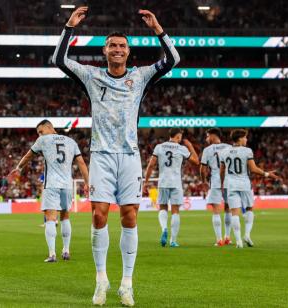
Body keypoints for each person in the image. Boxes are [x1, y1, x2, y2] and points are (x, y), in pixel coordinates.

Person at [52, 6, 180, 306]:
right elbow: (58, 60)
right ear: (105, 51)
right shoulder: (91, 76)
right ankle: (100, 281)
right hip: (101, 156)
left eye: (122, 46)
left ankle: (126, 283)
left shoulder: (142, 76)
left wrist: (158, 28)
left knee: (130, 216)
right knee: (98, 215)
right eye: (113, 45)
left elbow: (173, 60)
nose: (118, 49)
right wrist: (69, 27)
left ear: (129, 52)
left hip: (130, 156)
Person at [8, 120, 89, 262]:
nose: (39, 134)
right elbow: (81, 162)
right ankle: (66, 250)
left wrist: (18, 168)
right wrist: (87, 182)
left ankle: (52, 254)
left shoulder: (43, 140)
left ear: (49, 127)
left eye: (40, 131)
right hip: (67, 185)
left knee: (50, 218)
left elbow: (28, 155)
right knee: (65, 216)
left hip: (51, 184)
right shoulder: (71, 141)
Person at [220, 129, 281, 248]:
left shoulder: (224, 152)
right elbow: (253, 169)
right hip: (244, 183)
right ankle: (247, 235)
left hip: (231, 184)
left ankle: (238, 241)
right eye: (245, 137)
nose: (246, 139)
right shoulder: (247, 151)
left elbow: (222, 171)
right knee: (249, 208)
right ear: (240, 138)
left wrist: (223, 184)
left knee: (235, 213)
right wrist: (267, 174)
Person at [144, 128, 198, 247]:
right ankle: (173, 241)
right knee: (175, 211)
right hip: (176, 183)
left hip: (163, 181)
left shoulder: (159, 147)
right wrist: (190, 146)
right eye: (180, 137)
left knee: (162, 208)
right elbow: (196, 161)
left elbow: (151, 164)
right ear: (178, 136)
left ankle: (164, 229)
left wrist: (146, 182)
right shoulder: (182, 148)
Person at [200, 128, 233, 246]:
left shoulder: (207, 150)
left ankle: (219, 240)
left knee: (216, 211)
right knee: (228, 208)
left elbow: (203, 169)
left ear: (213, 136)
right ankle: (228, 237)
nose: (206, 139)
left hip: (216, 181)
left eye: (208, 136)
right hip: (230, 182)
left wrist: (203, 182)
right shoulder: (230, 147)